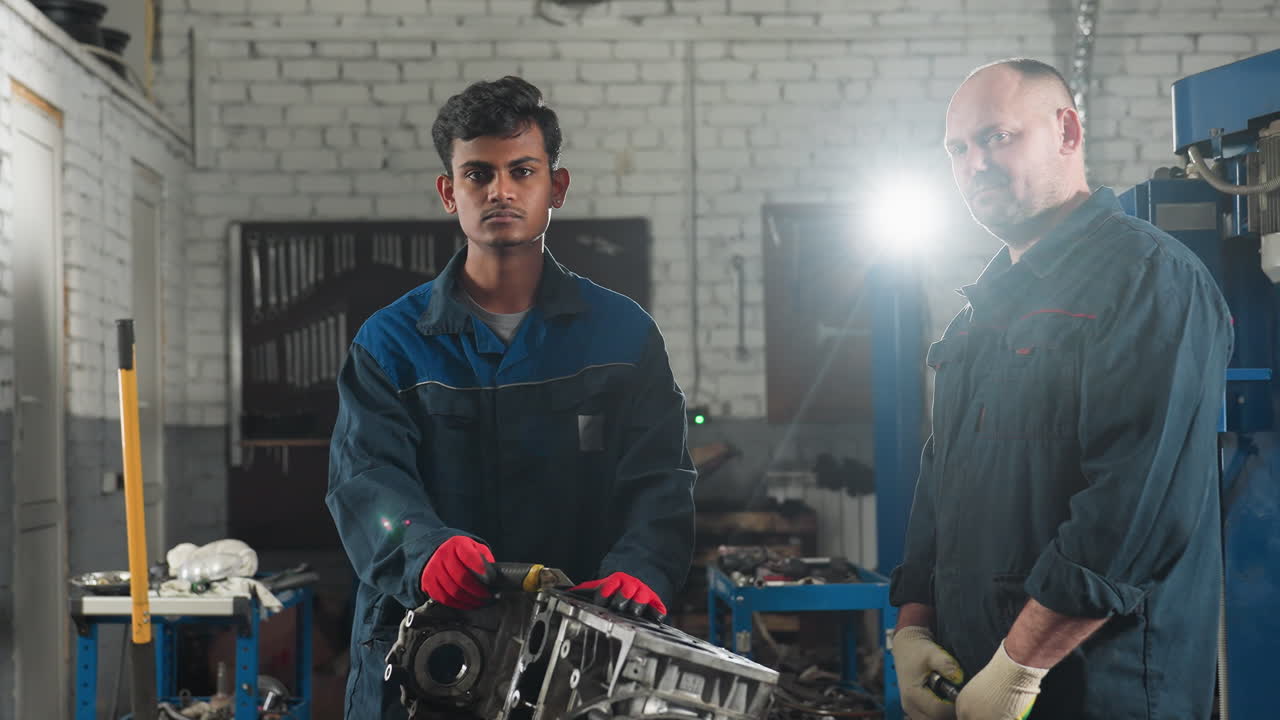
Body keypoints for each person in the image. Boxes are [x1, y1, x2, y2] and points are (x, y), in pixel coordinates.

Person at [326, 76, 697, 719]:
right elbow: (365, 479)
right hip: (424, 653)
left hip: (578, 655)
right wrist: (423, 547)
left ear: (556, 187)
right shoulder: (389, 344)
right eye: (477, 174)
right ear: (450, 192)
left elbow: (660, 476)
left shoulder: (623, 336)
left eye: (521, 170)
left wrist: (643, 566)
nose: (499, 190)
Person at [889, 58, 1233, 720]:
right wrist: (912, 627)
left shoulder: (1150, 283)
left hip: (1099, 694)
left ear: (1067, 131)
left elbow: (1133, 509)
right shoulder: (977, 314)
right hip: (976, 679)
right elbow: (942, 483)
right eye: (958, 148)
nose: (974, 163)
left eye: (998, 136)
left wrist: (1019, 667)